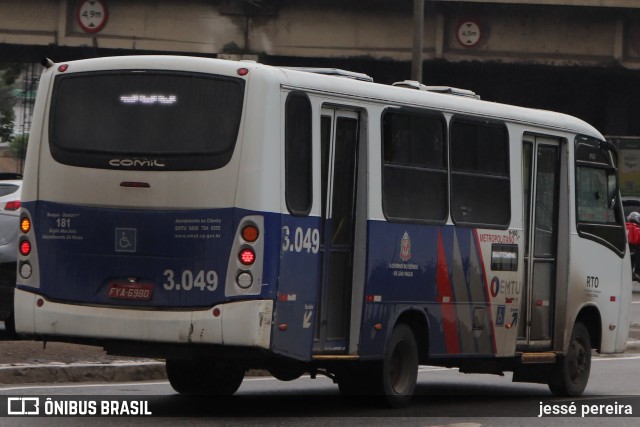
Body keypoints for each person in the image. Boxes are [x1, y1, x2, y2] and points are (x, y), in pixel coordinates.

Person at [626, 212, 640, 281]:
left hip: (625, 249)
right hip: (635, 250)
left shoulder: (624, 226)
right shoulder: (637, 228)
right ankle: (637, 273)